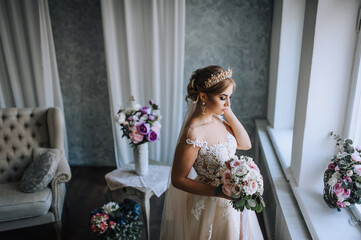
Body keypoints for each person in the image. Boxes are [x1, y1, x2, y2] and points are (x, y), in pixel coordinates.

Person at [159, 65, 264, 240]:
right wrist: (218, 192)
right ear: (203, 96)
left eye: (230, 97)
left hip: (233, 201)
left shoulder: (219, 119)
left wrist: (227, 111)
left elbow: (245, 144)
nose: (228, 103)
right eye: (223, 98)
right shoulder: (193, 133)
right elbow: (178, 180)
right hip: (210, 203)